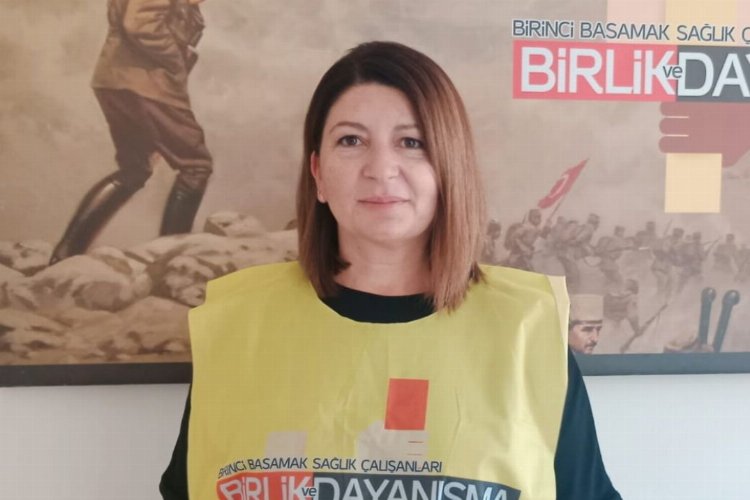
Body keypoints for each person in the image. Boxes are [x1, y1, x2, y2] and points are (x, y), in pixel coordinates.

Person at [160, 42, 621, 499]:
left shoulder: (528, 333)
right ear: (318, 173)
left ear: (449, 168)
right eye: (351, 140)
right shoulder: (238, 326)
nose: (381, 169)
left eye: (411, 142)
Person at [50, 0, 212, 264]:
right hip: (148, 84)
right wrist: (174, 59)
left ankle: (65, 254)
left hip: (119, 81)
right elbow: (139, 23)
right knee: (196, 166)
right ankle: (170, 258)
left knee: (134, 169)